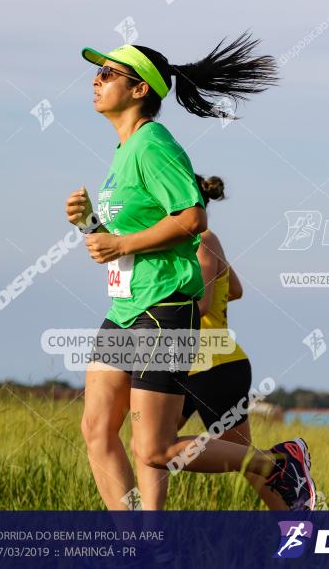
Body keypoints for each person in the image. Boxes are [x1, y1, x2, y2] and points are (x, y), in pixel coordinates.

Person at [64, 35, 315, 511]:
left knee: (153, 450)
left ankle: (276, 465)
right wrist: (90, 224)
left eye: (108, 74)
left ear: (140, 90)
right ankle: (140, 546)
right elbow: (130, 241)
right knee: (96, 431)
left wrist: (116, 240)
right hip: (124, 309)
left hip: (162, 310)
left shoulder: (153, 144)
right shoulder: (124, 152)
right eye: (96, 73)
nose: (95, 81)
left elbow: (191, 218)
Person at [132, 174, 290, 510]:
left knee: (155, 447)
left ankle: (289, 489)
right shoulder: (198, 244)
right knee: (149, 447)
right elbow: (235, 289)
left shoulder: (202, 240)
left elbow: (199, 302)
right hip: (197, 361)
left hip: (211, 364)